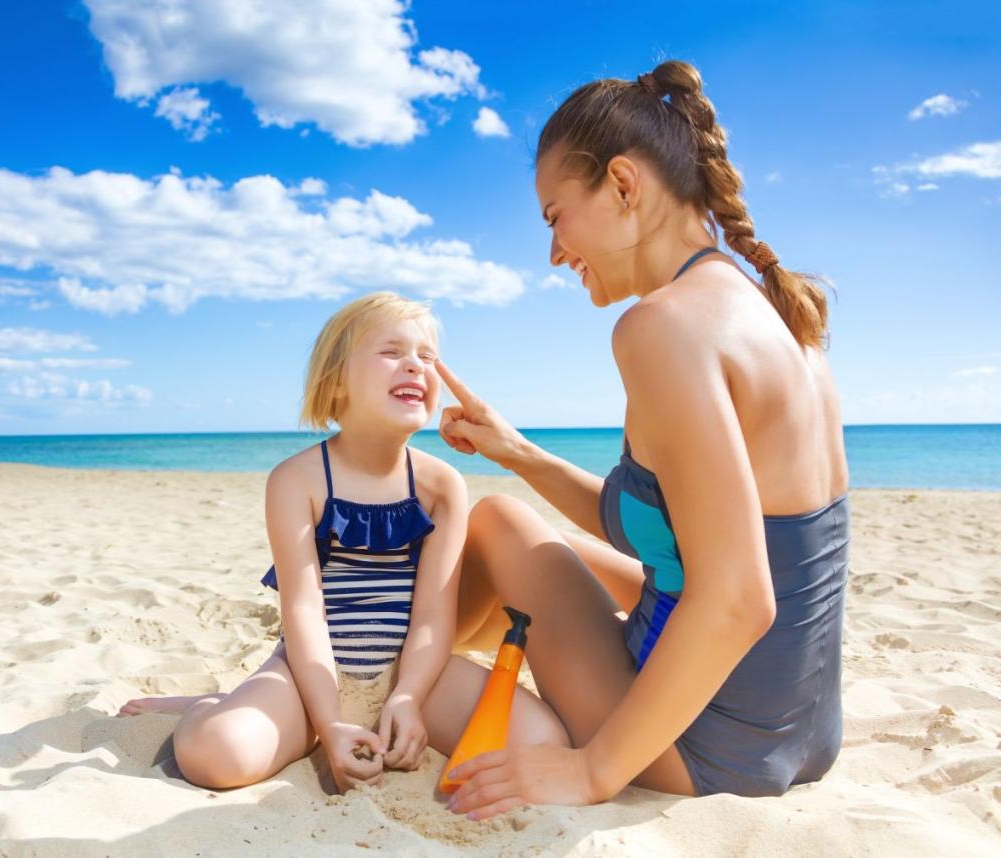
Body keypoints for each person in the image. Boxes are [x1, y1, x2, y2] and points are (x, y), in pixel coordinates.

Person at [438, 60, 851, 820]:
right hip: (803, 730)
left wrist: (592, 772)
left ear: (624, 186)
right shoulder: (777, 318)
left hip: (709, 744)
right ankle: (401, 665)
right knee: (510, 525)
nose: (554, 252)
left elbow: (737, 600)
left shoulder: (662, 328)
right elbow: (677, 539)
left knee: (492, 527)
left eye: (555, 216)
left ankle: (383, 676)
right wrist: (514, 450)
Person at [117, 292, 567, 793]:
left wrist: (408, 698)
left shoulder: (442, 486)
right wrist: (328, 722)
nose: (415, 366)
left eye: (427, 356)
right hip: (311, 677)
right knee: (217, 756)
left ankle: (310, 705)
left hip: (411, 674)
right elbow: (303, 613)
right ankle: (208, 705)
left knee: (543, 739)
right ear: (336, 381)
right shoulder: (297, 480)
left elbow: (433, 618)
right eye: (392, 351)